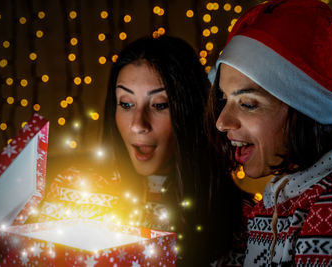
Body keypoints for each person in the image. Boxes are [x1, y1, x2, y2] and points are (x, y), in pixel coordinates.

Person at [206, 0, 332, 266]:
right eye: (224, 100)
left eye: (248, 104)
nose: (222, 122)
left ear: (304, 109)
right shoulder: (285, 193)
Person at [103, 35, 245, 265]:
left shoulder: (241, 223)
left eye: (159, 105)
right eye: (126, 104)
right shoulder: (91, 205)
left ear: (191, 110)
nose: (138, 124)